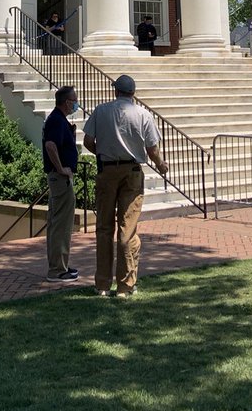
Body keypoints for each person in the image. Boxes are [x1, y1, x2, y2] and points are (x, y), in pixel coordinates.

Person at [83, 74, 168, 298]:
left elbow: (88, 142)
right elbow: (152, 148)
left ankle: (102, 284)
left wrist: (102, 154)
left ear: (116, 91)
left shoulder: (101, 111)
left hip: (106, 170)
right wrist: (160, 165)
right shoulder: (143, 114)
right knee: (127, 229)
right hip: (132, 171)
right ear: (133, 93)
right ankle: (125, 285)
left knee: (103, 227)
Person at [42, 86, 80, 282]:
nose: (76, 103)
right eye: (74, 100)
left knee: (58, 223)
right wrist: (60, 168)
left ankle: (60, 265)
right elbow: (50, 145)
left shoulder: (58, 120)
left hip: (59, 179)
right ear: (67, 102)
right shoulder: (56, 120)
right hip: (60, 179)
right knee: (61, 225)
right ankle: (57, 270)